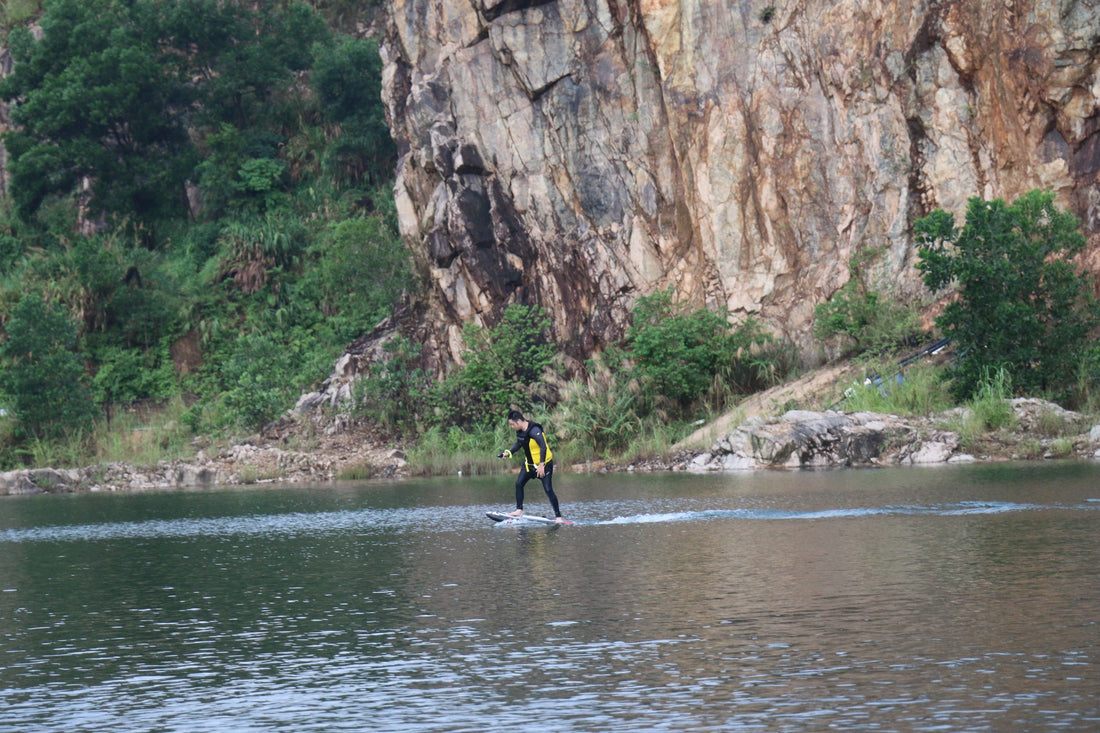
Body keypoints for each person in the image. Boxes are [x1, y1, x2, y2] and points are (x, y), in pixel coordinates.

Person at [498, 409, 566, 523]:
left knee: (548, 489)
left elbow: (543, 447)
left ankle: (559, 517)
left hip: (544, 465)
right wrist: (508, 453)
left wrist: (541, 465)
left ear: (519, 421)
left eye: (512, 424)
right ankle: (519, 510)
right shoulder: (520, 431)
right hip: (529, 465)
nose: (512, 427)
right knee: (519, 483)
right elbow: (519, 443)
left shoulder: (534, 430)